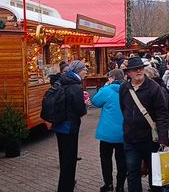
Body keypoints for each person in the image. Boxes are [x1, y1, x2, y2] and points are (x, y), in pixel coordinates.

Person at [119, 57, 169, 192]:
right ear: (128, 73)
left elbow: (162, 114)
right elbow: (123, 108)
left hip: (150, 140)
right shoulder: (124, 88)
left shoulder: (154, 88)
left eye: (140, 68)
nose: (139, 71)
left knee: (155, 176)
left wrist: (163, 139)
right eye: (135, 69)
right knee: (132, 173)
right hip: (130, 139)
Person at [53, 60, 88, 192]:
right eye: (84, 69)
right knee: (70, 159)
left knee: (64, 158)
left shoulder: (61, 82)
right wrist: (85, 105)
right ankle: (66, 187)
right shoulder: (76, 87)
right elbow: (80, 110)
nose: (86, 71)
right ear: (78, 70)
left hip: (59, 125)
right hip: (70, 126)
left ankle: (64, 186)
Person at [91, 69, 127, 192]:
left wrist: (103, 88)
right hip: (124, 131)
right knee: (122, 160)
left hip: (107, 133)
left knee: (105, 159)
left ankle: (108, 185)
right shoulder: (128, 89)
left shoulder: (107, 90)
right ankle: (120, 186)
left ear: (111, 78)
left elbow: (95, 101)